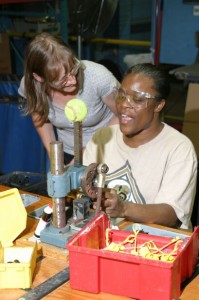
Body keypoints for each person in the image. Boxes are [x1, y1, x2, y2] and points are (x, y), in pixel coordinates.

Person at [83, 63, 198, 230]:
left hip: (156, 246)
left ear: (159, 105)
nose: (124, 105)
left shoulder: (178, 148)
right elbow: (83, 190)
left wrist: (124, 208)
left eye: (137, 99)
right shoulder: (103, 138)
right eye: (121, 95)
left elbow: (171, 215)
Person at [18, 32, 120, 165]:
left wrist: (88, 151)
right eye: (62, 80)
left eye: (73, 70)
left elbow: (124, 113)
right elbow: (40, 118)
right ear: (39, 78)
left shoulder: (98, 77)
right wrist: (55, 158)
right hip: (68, 152)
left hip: (107, 148)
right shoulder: (31, 85)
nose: (73, 81)